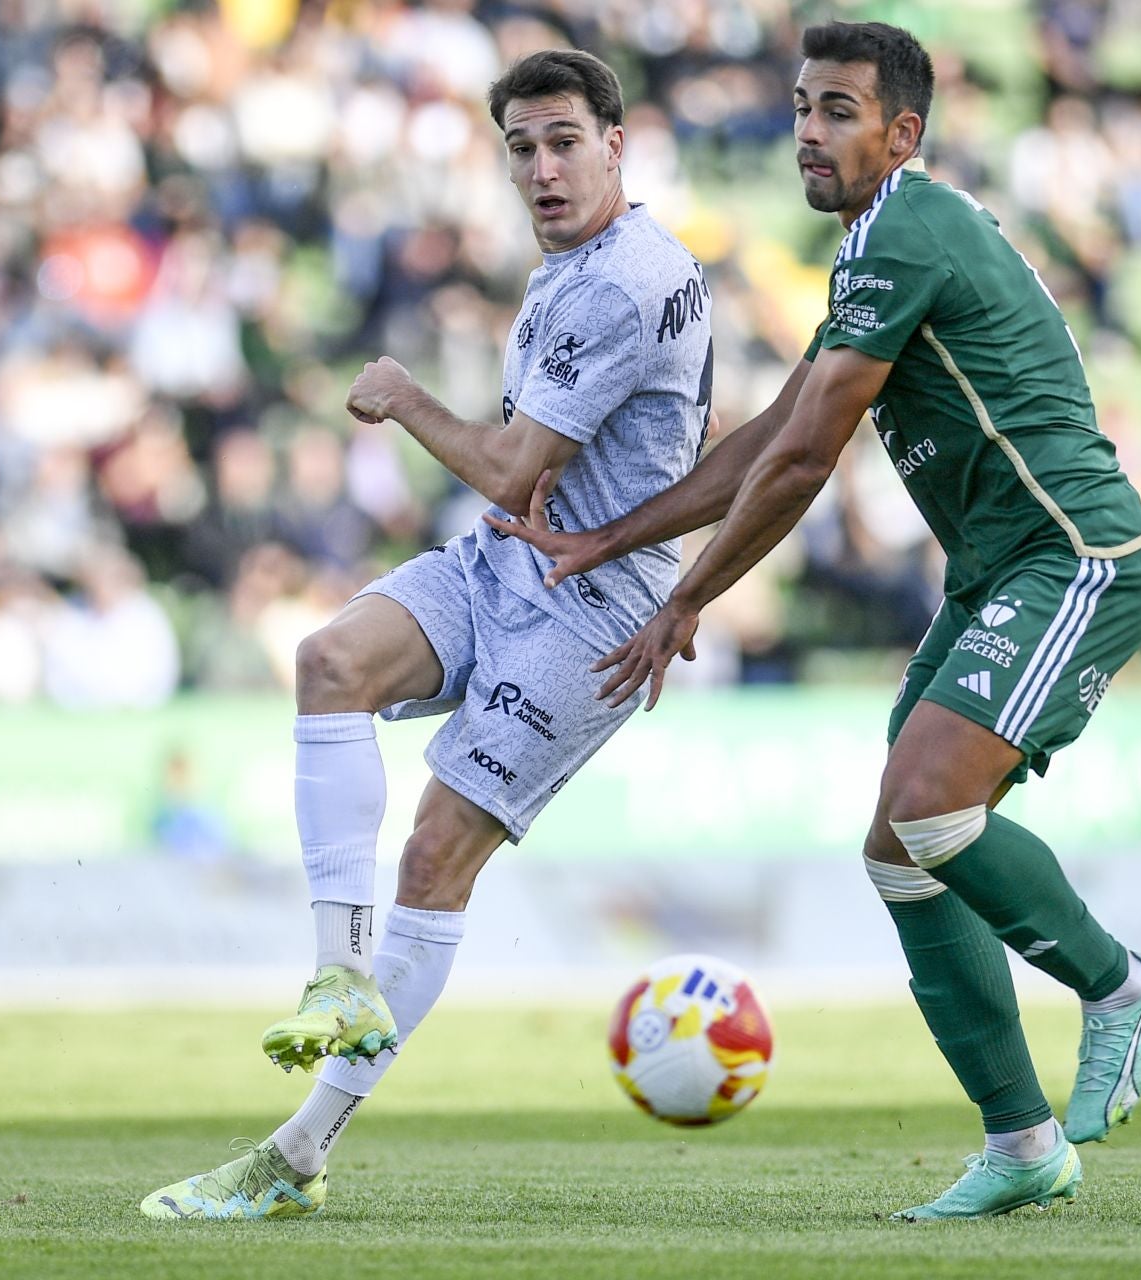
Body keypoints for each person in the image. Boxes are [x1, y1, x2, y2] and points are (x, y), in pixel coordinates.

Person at [500, 22, 1141, 1222]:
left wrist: (688, 595)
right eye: (801, 107)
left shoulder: (905, 231)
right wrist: (612, 539)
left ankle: (1120, 981)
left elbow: (810, 456)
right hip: (996, 568)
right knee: (897, 848)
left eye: (838, 113)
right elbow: (772, 433)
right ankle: (1022, 1141)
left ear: (900, 133)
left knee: (929, 807)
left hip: (1074, 556)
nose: (808, 133)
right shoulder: (875, 247)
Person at [139, 48, 714, 1221]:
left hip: (594, 606)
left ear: (617, 142)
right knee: (329, 662)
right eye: (521, 147)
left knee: (434, 858)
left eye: (564, 142)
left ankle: (296, 1151)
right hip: (507, 555)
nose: (542, 169)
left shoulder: (619, 280)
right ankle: (342, 973)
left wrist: (401, 394)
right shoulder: (588, 262)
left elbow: (507, 458)